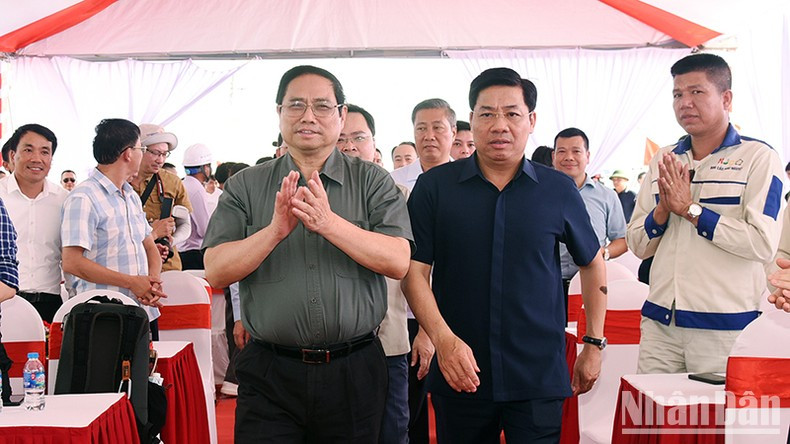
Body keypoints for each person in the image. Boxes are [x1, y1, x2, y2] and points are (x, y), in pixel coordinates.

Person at [202, 65, 412, 442]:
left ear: (341, 114)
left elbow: (397, 260)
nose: (308, 116)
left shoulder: (372, 181)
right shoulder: (245, 186)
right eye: (296, 104)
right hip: (270, 371)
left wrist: (329, 224)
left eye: (322, 105)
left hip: (354, 368)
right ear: (279, 112)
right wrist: (273, 232)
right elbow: (216, 271)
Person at [402, 67, 606, 443]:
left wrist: (593, 344)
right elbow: (414, 272)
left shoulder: (557, 189)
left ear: (531, 121)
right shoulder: (435, 188)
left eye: (512, 114)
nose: (499, 125)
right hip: (460, 370)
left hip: (537, 374)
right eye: (487, 114)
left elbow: (592, 264)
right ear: (472, 120)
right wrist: (442, 340)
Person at [627, 53, 783, 374]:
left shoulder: (758, 158)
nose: (685, 103)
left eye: (697, 92)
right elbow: (638, 246)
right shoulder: (665, 158)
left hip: (724, 328)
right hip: (660, 324)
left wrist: (692, 210)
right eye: (677, 94)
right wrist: (662, 211)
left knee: (716, 422)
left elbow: (762, 243)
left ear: (726, 98)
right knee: (653, 420)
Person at [61, 119, 166, 339]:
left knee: (146, 372)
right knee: (105, 373)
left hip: (141, 309)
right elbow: (72, 261)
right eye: (142, 149)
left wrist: (151, 283)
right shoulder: (83, 197)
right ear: (128, 153)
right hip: (103, 314)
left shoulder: (130, 196)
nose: (142, 155)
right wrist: (133, 282)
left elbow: (149, 246)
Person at [392, 97, 456, 444]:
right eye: (421, 128)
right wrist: (423, 330)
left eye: (437, 128)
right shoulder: (392, 184)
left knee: (454, 409)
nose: (429, 136)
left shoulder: (468, 181)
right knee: (408, 410)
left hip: (455, 311)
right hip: (407, 313)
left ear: (453, 132)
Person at [553, 127, 627, 323]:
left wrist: (603, 254)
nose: (569, 157)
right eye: (562, 151)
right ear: (553, 156)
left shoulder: (606, 196)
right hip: (548, 284)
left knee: (588, 339)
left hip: (591, 283)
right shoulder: (537, 195)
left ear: (587, 156)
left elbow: (622, 239)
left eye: (576, 151)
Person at [0, 124, 68, 322]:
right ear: (13, 155)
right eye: (28, 150)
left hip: (49, 304)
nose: (36, 159)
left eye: (44, 152)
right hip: (4, 300)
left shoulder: (65, 200)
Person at [130, 123, 193, 272]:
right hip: (132, 267)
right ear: (140, 149)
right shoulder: (121, 182)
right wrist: (153, 231)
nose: (160, 160)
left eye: (164, 154)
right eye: (156, 153)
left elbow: (185, 224)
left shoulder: (172, 182)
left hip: (167, 266)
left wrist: (172, 240)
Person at [178, 143, 213, 270]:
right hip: (194, 253)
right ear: (206, 167)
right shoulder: (197, 189)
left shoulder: (183, 184)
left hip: (182, 250)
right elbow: (204, 230)